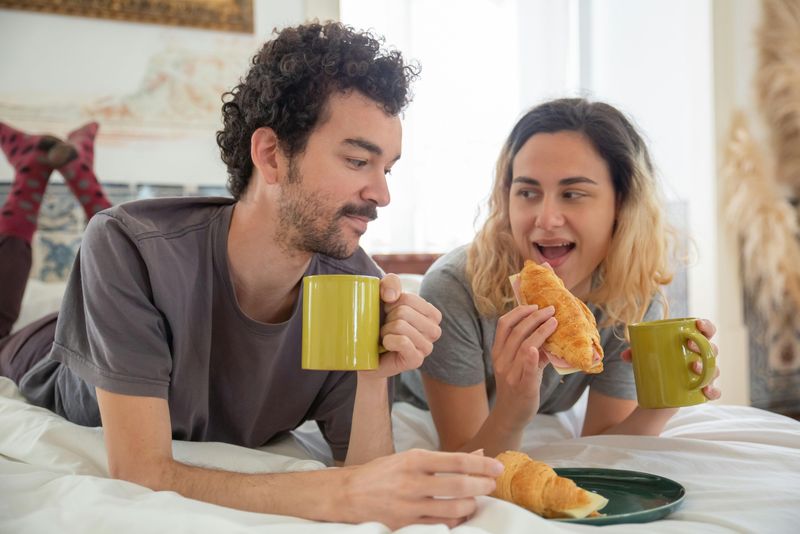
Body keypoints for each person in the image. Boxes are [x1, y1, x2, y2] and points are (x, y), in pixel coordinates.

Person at [0, 22, 504, 529]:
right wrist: (330, 493)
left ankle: (69, 170)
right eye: (357, 160)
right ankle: (33, 175)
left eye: (387, 169)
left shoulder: (356, 289)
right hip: (37, 352)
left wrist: (373, 378)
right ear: (270, 155)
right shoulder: (128, 244)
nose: (382, 194)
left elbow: (369, 477)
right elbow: (141, 470)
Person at [398, 98, 722, 457]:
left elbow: (603, 443)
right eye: (527, 192)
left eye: (572, 194)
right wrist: (512, 405)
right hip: (417, 405)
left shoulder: (628, 293)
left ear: (621, 204)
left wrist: (665, 399)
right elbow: (464, 455)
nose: (546, 218)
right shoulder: (454, 289)